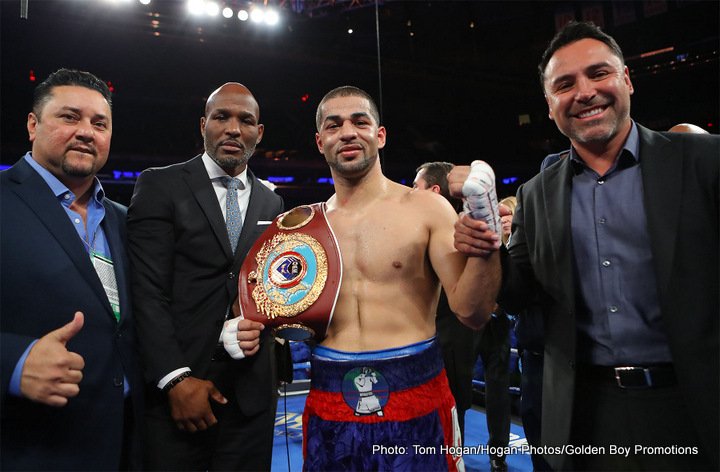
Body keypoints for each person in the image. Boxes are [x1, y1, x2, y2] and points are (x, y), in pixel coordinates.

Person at [451, 21, 719, 470]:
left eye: (599, 74)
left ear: (627, 80)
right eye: (565, 84)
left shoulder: (706, 163)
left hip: (697, 402)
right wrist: (485, 242)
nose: (585, 92)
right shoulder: (537, 192)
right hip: (584, 413)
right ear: (550, 104)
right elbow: (519, 292)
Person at [301, 86, 501, 471]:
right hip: (328, 401)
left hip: (416, 397)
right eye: (334, 124)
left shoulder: (426, 208)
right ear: (320, 141)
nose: (347, 132)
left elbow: (472, 313)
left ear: (380, 135)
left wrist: (485, 242)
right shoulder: (306, 228)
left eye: (360, 122)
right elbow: (278, 314)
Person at [127, 82, 288, 470]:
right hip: (177, 394)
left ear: (259, 133)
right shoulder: (160, 184)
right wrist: (174, 379)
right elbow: (146, 291)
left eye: (245, 120)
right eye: (222, 117)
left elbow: (270, 287)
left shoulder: (273, 202)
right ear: (203, 125)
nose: (234, 128)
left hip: (251, 397)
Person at [0, 68, 142, 470]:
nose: (86, 131)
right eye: (69, 117)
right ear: (32, 124)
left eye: (100, 123)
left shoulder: (123, 219)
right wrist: (14, 361)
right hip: (29, 447)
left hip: (124, 444)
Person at [414, 162, 511, 472]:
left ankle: (465, 460)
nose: (409, 193)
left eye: (416, 186)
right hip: (444, 334)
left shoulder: (457, 230)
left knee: (461, 404)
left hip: (456, 332)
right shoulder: (421, 228)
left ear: (433, 190)